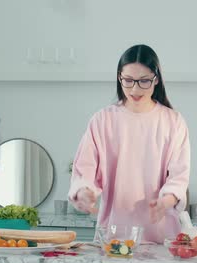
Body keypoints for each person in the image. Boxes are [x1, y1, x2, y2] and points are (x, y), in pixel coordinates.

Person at [68, 44, 190, 244]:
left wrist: (165, 202)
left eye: (144, 81)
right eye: (128, 80)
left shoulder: (173, 121)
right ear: (119, 78)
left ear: (156, 79)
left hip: (161, 235)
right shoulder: (102, 120)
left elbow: (179, 177)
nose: (135, 89)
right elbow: (84, 170)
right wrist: (83, 192)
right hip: (114, 236)